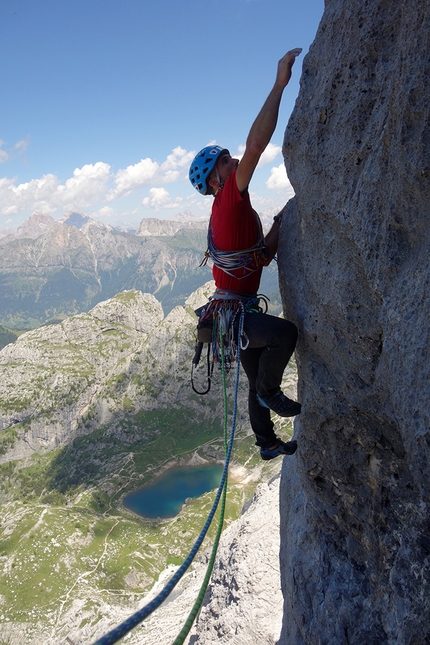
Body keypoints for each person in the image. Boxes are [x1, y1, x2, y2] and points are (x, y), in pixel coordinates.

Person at [189, 48, 302, 461]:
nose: (232, 159)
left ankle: (267, 443)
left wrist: (279, 223)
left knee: (256, 380)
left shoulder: (228, 213)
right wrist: (278, 85)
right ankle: (271, 395)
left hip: (232, 313)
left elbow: (260, 257)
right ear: (217, 180)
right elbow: (256, 146)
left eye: (228, 156)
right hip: (236, 313)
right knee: (285, 337)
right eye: (224, 161)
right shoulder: (231, 203)